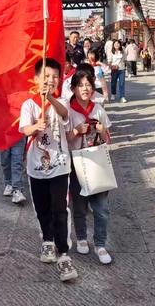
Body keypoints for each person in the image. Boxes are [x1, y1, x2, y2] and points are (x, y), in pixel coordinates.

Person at [18, 58, 78, 282]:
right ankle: (47, 242)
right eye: (46, 76)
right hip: (36, 166)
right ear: (36, 79)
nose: (51, 80)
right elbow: (24, 129)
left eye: (55, 77)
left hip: (60, 165)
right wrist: (34, 127)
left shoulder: (61, 100)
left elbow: (64, 115)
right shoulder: (29, 104)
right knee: (42, 208)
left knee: (60, 209)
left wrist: (50, 97)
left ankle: (64, 253)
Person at [66, 69, 113, 265]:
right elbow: (65, 140)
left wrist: (102, 131)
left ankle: (101, 244)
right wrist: (76, 131)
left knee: (101, 208)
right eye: (81, 85)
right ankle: (82, 237)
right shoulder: (68, 111)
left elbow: (108, 140)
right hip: (76, 164)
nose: (85, 89)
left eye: (88, 85)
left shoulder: (98, 110)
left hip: (97, 163)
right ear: (74, 89)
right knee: (79, 205)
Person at [1, 136, 27, 204]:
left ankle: (17, 189)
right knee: (5, 162)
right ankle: (8, 183)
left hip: (18, 133)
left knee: (17, 162)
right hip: (3, 135)